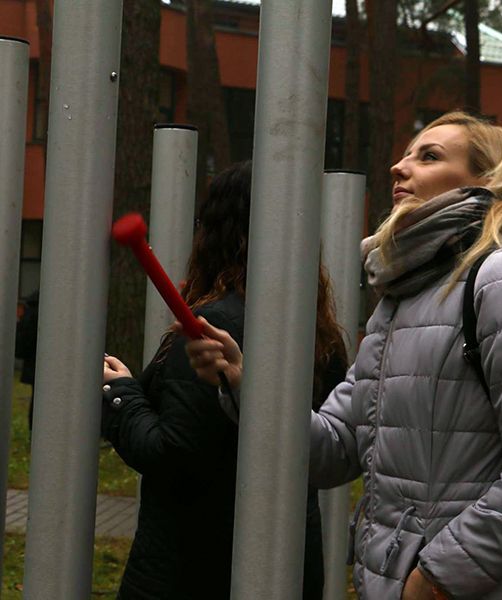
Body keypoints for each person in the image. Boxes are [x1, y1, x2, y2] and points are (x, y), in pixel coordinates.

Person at [185, 112, 502, 600]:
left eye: (429, 156)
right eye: (405, 154)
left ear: (489, 180)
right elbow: (333, 450)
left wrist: (436, 579)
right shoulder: (404, 293)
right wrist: (242, 383)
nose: (398, 167)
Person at [101, 160, 347, 600]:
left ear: (217, 232)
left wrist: (119, 396)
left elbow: (174, 455)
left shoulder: (213, 327)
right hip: (284, 566)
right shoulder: (314, 327)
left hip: (193, 569)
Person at [15, 289, 39, 432]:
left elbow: (22, 343)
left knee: (37, 400)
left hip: (34, 364)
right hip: (36, 363)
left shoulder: (31, 311)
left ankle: (34, 431)